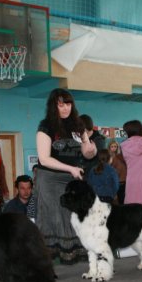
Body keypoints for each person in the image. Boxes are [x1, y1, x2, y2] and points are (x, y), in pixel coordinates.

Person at [35, 88, 96, 264]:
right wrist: (70, 168)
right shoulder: (46, 126)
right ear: (53, 106)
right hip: (49, 179)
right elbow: (44, 159)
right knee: (52, 219)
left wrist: (91, 150)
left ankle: (83, 256)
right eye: (61, 104)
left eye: (68, 104)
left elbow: (87, 153)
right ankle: (45, 265)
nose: (65, 108)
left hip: (72, 179)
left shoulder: (78, 126)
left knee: (74, 217)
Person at [108, 140, 127, 205]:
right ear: (109, 147)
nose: (114, 148)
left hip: (122, 180)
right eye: (112, 146)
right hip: (115, 181)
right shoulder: (109, 157)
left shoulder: (120, 156)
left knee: (121, 199)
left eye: (115, 146)